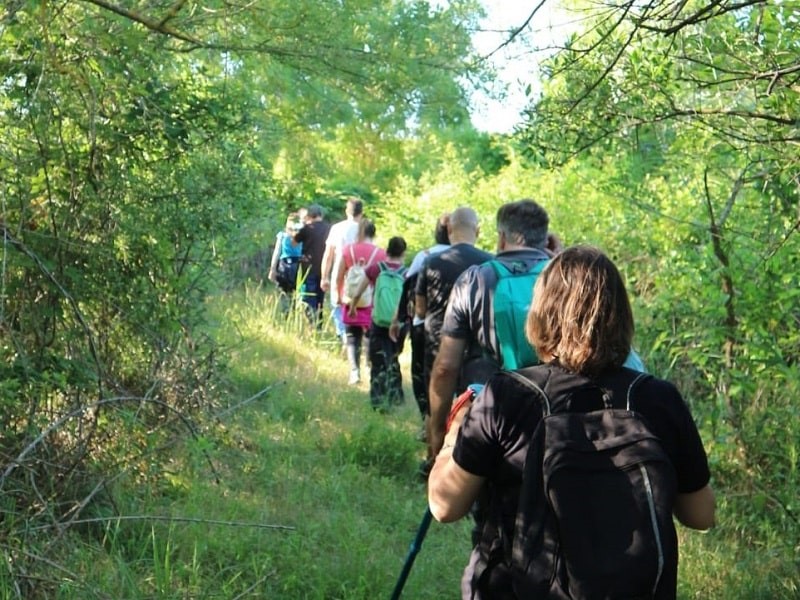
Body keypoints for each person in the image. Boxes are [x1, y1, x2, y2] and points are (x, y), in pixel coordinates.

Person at [427, 245, 716, 599]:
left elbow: (444, 506)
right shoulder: (658, 398)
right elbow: (700, 515)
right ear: (621, 316)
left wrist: (454, 434)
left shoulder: (507, 396)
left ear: (540, 313)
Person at [427, 200, 557, 457]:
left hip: (486, 414)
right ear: (546, 238)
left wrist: (437, 433)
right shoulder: (564, 277)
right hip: (554, 417)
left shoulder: (474, 280)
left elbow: (445, 367)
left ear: (501, 238)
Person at [415, 207, 492, 454]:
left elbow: (419, 308)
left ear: (449, 229)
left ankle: (432, 456)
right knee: (471, 399)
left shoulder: (431, 261)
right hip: (477, 342)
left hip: (437, 338)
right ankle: (465, 458)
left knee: (436, 402)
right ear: (478, 231)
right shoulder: (491, 263)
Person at [390, 213, 450, 419]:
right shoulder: (470, 257)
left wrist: (397, 319)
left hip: (424, 324)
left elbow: (407, 287)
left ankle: (427, 416)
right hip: (457, 325)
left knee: (421, 371)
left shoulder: (424, 256)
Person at [351, 236, 407, 409]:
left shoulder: (376, 268)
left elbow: (360, 288)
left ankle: (377, 398)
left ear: (387, 250)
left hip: (378, 321)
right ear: (403, 253)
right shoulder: (407, 273)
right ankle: (395, 396)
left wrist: (353, 305)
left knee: (377, 359)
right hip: (398, 324)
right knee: (394, 357)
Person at [335, 219, 386, 385]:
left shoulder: (348, 250)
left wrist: (338, 293)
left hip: (350, 299)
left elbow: (339, 275)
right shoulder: (380, 253)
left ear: (360, 232)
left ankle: (354, 372)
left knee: (352, 336)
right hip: (370, 300)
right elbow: (382, 280)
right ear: (373, 233)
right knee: (370, 335)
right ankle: (371, 366)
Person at [320, 197, 364, 342]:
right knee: (358, 305)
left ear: (347, 211)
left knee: (337, 304)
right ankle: (354, 338)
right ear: (361, 212)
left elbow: (328, 255)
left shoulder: (337, 228)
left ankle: (343, 337)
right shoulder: (364, 229)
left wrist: (324, 276)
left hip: (339, 271)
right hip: (359, 273)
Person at [292, 204, 331, 326]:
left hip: (307, 267)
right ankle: (319, 323)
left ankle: (312, 324)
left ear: (309, 215)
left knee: (309, 297)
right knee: (320, 297)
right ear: (321, 215)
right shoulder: (329, 228)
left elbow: (294, 242)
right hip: (324, 267)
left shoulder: (307, 228)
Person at [268, 210, 305, 311]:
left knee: (284, 294)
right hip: (299, 266)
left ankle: (287, 314)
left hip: (284, 266)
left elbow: (277, 252)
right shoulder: (303, 236)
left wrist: (272, 269)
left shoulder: (282, 235)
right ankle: (296, 312)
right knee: (298, 293)